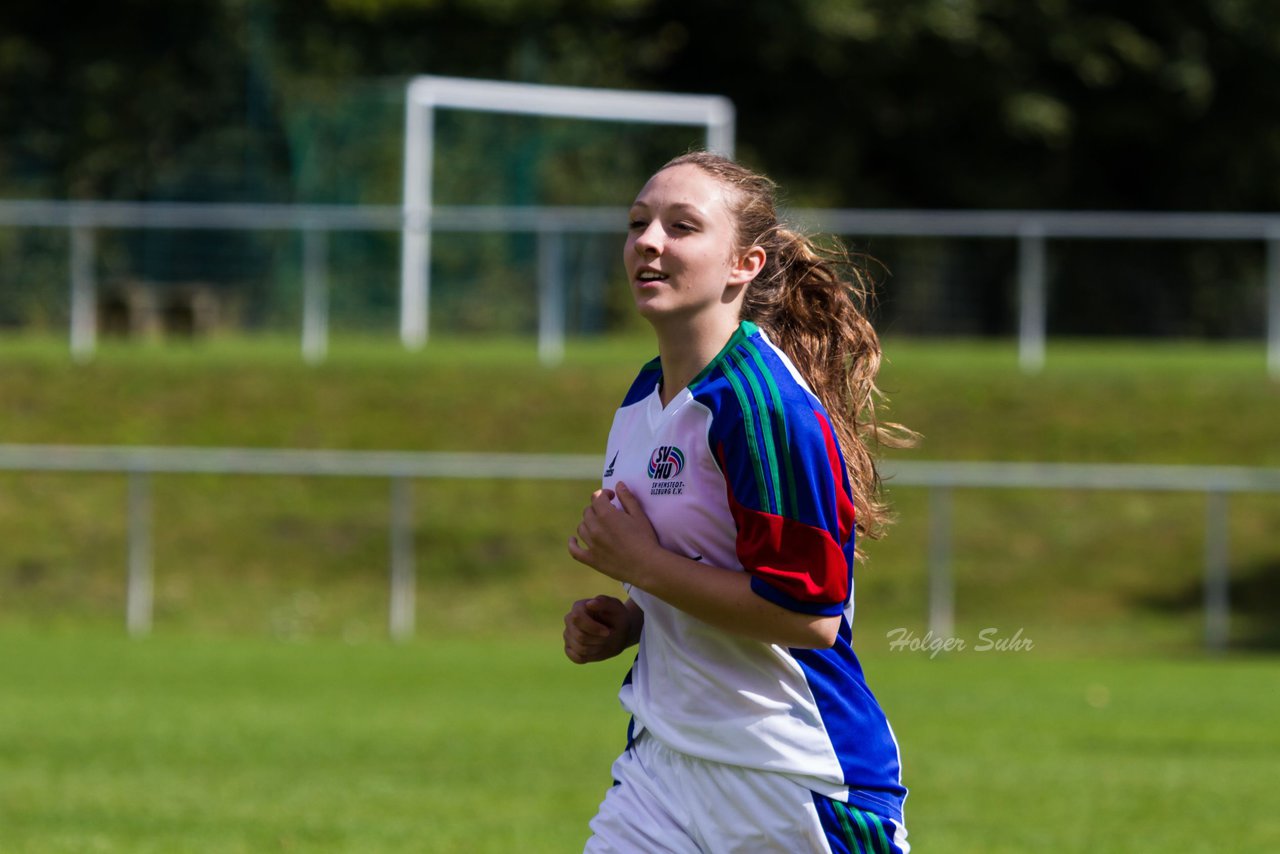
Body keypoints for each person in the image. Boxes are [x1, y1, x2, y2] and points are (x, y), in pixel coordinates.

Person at [563, 151, 914, 853]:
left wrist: (646, 566)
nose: (649, 241)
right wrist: (635, 622)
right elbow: (703, 563)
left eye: (682, 226)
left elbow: (809, 616)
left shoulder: (763, 407)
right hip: (663, 768)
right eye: (638, 223)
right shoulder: (643, 394)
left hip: (789, 778)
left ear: (744, 265)